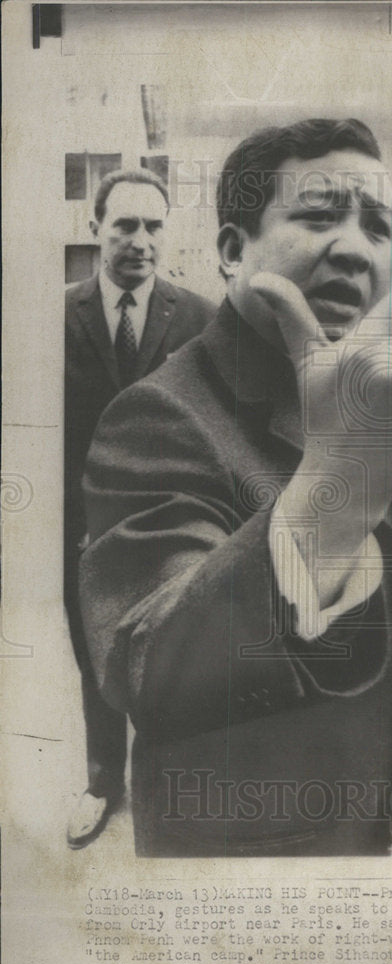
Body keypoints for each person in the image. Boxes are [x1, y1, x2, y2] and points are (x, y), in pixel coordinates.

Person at [79, 118, 392, 856]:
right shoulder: (159, 413)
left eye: (378, 227)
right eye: (318, 217)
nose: (355, 248)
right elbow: (148, 671)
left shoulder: (383, 391)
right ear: (232, 251)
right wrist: (337, 493)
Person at [64, 169, 216, 848]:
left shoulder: (199, 319)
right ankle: (103, 782)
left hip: (168, 529)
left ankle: (167, 787)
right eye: (124, 224)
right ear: (95, 228)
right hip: (81, 532)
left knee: (169, 660)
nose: (140, 240)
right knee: (94, 659)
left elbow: (217, 432)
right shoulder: (52, 319)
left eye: (153, 225)